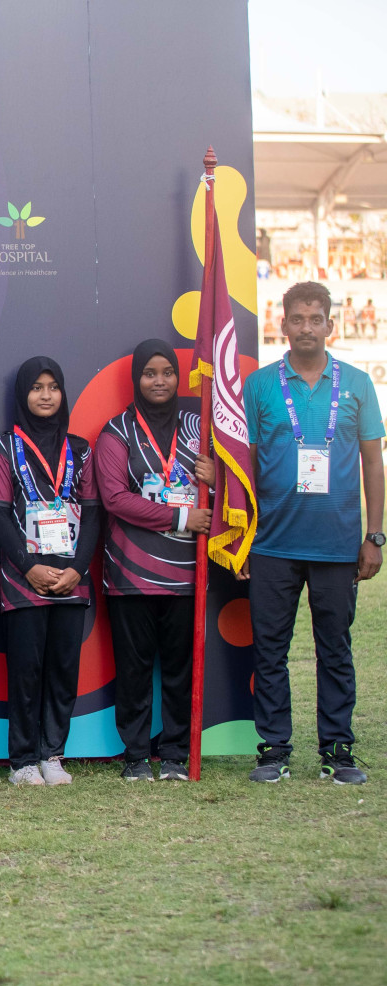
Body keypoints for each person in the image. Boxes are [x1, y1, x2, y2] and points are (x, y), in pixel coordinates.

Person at [241, 281, 383, 785]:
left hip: (338, 546)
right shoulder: (259, 386)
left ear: (330, 324)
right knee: (270, 651)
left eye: (315, 318)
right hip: (272, 544)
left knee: (335, 649)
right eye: (296, 319)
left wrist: (376, 536)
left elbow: (372, 461)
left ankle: (338, 750)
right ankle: (274, 749)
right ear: (283, 325)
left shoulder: (359, 384)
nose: (306, 327)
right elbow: (247, 465)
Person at [96, 340, 216, 782]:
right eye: (150, 373)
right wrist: (183, 515)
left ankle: (174, 754)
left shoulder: (197, 426)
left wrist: (216, 479)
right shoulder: (116, 432)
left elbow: (231, 492)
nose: (160, 380)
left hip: (187, 574)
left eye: (167, 371)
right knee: (134, 669)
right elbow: (114, 498)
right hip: (131, 575)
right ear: (136, 379)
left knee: (181, 669)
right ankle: (134, 756)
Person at [0, 357, 100, 787]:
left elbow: (92, 514)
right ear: (23, 395)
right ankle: (23, 761)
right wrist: (30, 567)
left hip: (72, 578)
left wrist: (77, 569)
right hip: (23, 581)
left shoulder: (81, 449)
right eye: (37, 387)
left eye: (53, 386)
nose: (46, 395)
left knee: (63, 668)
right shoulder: (3, 448)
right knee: (27, 670)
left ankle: (53, 753)